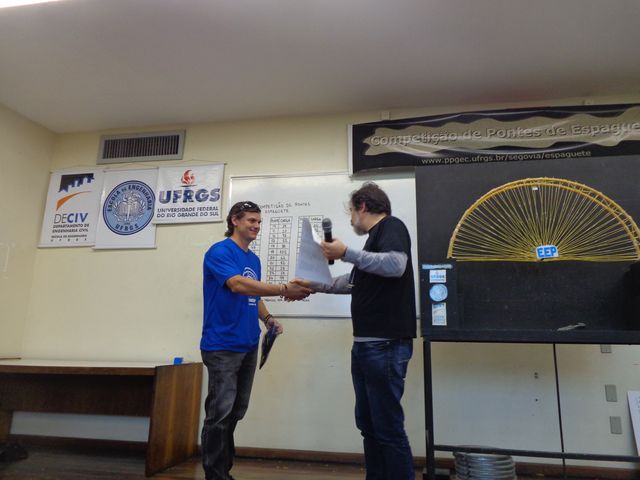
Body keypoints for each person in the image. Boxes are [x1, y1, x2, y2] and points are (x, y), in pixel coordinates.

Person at [296, 182, 416, 480]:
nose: (351, 219)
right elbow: (351, 283)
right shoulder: (373, 241)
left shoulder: (391, 226)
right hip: (366, 346)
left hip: (384, 345)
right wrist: (311, 285)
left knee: (387, 427)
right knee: (369, 425)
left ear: (362, 206)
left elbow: (396, 265)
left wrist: (346, 252)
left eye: (351, 212)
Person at [201, 200, 312, 480]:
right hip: (222, 346)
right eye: (251, 220)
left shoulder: (254, 260)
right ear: (234, 221)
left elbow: (253, 294)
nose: (257, 226)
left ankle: (223, 471)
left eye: (259, 221)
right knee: (219, 414)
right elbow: (237, 284)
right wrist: (284, 288)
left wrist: (268, 318)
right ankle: (215, 475)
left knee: (235, 412)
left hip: (248, 343)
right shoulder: (219, 251)